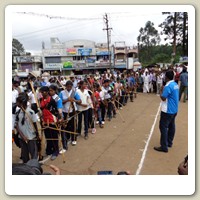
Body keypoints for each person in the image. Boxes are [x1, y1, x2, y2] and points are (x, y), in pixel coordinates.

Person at [154, 70, 179, 153]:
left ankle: (164, 146)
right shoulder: (175, 84)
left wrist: (161, 91)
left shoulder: (168, 85)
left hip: (167, 110)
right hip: (174, 109)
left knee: (163, 127)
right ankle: (169, 142)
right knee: (172, 126)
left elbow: (163, 98)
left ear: (166, 77)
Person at [14, 92, 39, 163]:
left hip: (31, 137)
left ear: (22, 103)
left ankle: (34, 166)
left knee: (33, 153)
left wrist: (37, 134)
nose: (16, 104)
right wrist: (22, 136)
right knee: (25, 154)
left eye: (18, 102)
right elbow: (16, 126)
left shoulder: (31, 112)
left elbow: (35, 124)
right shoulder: (18, 112)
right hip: (22, 137)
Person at [39, 86, 60, 160]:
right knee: (47, 136)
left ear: (47, 92)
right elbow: (41, 110)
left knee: (54, 136)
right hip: (44, 120)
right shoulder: (40, 99)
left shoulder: (52, 100)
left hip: (51, 120)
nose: (42, 93)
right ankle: (49, 149)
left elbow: (56, 111)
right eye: (41, 92)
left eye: (43, 92)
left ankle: (56, 151)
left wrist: (56, 120)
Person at [59, 80, 81, 147]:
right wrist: (67, 100)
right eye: (68, 86)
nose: (69, 88)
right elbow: (59, 102)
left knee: (73, 125)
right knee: (66, 125)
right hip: (65, 111)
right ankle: (67, 137)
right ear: (65, 86)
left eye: (70, 87)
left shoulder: (74, 92)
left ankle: (74, 139)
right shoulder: (62, 93)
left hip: (72, 111)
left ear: (72, 86)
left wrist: (74, 100)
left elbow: (79, 101)